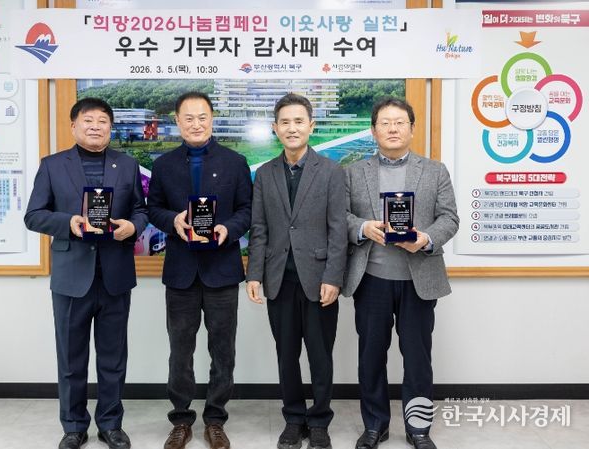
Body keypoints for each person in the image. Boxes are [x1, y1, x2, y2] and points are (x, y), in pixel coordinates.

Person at [24, 97, 148, 449]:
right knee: (71, 358)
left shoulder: (127, 164)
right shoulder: (52, 165)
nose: (95, 126)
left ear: (111, 127)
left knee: (113, 358)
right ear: (74, 126)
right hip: (71, 277)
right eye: (88, 120)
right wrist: (69, 223)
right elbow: (34, 215)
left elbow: (140, 210)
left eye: (102, 121)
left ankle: (111, 424)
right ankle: (74, 426)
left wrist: (132, 227)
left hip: (115, 275)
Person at [342, 98, 459, 449]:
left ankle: (418, 428)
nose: (392, 129)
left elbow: (449, 218)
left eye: (399, 122)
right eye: (385, 123)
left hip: (418, 279)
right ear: (373, 130)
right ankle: (374, 426)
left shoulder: (435, 170)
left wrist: (426, 239)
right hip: (371, 279)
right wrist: (362, 227)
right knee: (371, 357)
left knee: (418, 358)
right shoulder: (353, 172)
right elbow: (339, 217)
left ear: (411, 128)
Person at [147, 91, 252, 449]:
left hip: (222, 270)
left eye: (202, 117)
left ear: (212, 119)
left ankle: (216, 419)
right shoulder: (163, 165)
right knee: (180, 351)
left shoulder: (235, 162)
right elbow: (153, 209)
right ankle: (181, 419)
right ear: (177, 121)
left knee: (223, 351)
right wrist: (172, 220)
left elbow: (247, 210)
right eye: (188, 118)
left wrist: (229, 229)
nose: (196, 124)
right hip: (181, 273)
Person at [246, 93, 347, 449]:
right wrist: (254, 274)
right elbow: (259, 228)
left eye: (299, 121)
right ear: (275, 128)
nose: (292, 128)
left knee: (320, 356)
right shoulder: (265, 173)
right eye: (285, 122)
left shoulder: (331, 171)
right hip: (279, 280)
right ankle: (293, 418)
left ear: (311, 126)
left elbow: (338, 230)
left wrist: (333, 277)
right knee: (286, 355)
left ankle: (319, 421)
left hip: (319, 281)